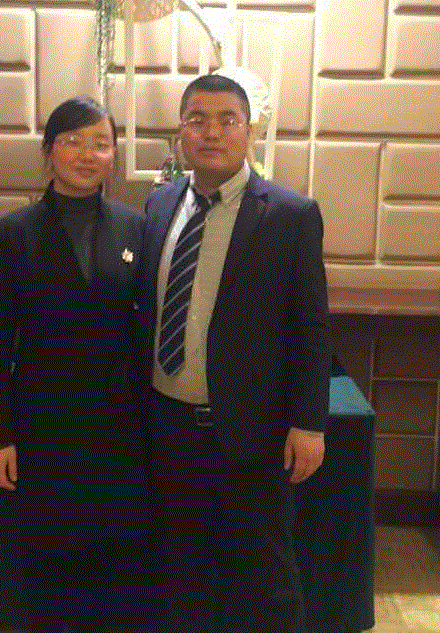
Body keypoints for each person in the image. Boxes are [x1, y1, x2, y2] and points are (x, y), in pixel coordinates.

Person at [138, 74, 336, 633]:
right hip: (168, 423)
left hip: (252, 427)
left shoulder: (290, 214)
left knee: (267, 573)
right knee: (179, 568)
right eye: (197, 119)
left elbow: (311, 327)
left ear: (248, 131)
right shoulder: (159, 204)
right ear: (181, 131)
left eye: (227, 120)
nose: (212, 132)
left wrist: (309, 422)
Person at [0, 97, 144, 633]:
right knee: (46, 562)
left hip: (118, 427)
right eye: (73, 142)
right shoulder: (14, 232)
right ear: (49, 151)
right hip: (41, 424)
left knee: (111, 565)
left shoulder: (135, 228)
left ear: (113, 156)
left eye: (101, 144)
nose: (88, 155)